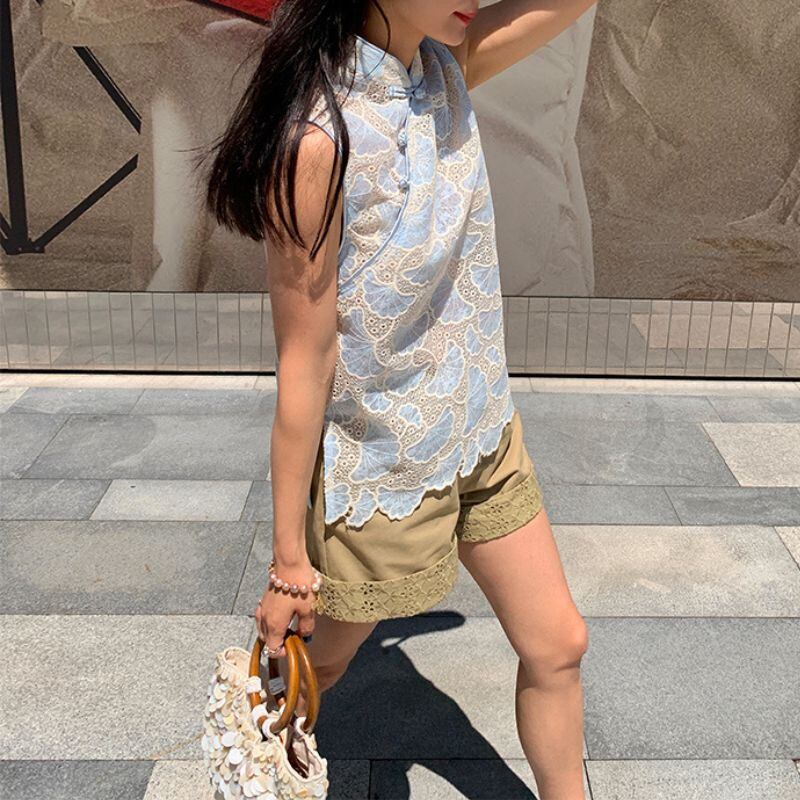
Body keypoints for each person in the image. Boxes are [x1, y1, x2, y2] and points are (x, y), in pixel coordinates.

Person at [202, 1, 596, 797]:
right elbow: (304, 361)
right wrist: (288, 563)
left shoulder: (444, 70)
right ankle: (252, 754)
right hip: (385, 467)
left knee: (558, 644)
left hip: (480, 429)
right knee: (317, 669)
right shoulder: (317, 141)